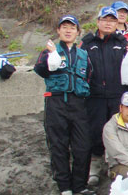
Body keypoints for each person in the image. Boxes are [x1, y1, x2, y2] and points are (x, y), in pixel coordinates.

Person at [34, 15, 94, 195]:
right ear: (58, 31)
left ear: (78, 32)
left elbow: (89, 76)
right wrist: (51, 56)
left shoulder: (84, 55)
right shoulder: (49, 51)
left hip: (78, 104)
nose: (68, 30)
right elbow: (41, 70)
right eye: (64, 27)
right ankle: (64, 187)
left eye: (72, 27)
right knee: (58, 145)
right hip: (56, 103)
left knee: (83, 146)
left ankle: (80, 186)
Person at [81, 6, 128, 186]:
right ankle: (95, 164)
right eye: (105, 20)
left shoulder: (122, 42)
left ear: (117, 23)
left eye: (112, 20)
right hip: (94, 96)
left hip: (117, 95)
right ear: (98, 22)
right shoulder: (87, 43)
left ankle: (114, 165)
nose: (108, 23)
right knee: (95, 131)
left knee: (117, 132)